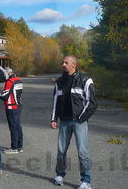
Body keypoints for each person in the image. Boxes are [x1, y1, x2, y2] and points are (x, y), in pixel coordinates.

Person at [51, 56, 98, 189]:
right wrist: (54, 119)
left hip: (79, 122)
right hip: (64, 121)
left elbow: (92, 103)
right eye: (62, 62)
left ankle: (86, 181)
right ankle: (59, 174)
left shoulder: (85, 80)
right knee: (61, 151)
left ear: (74, 65)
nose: (63, 64)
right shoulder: (59, 82)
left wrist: (80, 119)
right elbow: (55, 101)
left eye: (66, 62)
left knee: (82, 152)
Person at [0, 67, 23, 154]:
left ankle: (14, 148)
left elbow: (5, 95)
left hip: (11, 107)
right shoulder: (18, 80)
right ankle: (20, 146)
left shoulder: (10, 81)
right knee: (18, 126)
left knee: (13, 128)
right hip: (18, 106)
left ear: (7, 74)